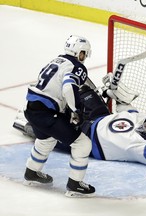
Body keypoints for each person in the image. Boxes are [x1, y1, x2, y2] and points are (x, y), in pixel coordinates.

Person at [14, 82, 146, 167]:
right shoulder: (140, 120)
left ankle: (28, 123)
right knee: (83, 88)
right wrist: (115, 94)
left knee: (52, 130)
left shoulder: (138, 146)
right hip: (101, 116)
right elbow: (128, 109)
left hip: (88, 138)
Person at [22, 35, 95, 197]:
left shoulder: (56, 60)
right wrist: (75, 110)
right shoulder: (77, 66)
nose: (84, 57)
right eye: (83, 53)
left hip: (31, 109)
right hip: (47, 112)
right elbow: (68, 87)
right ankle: (75, 184)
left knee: (46, 139)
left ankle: (31, 172)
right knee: (83, 144)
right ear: (78, 52)